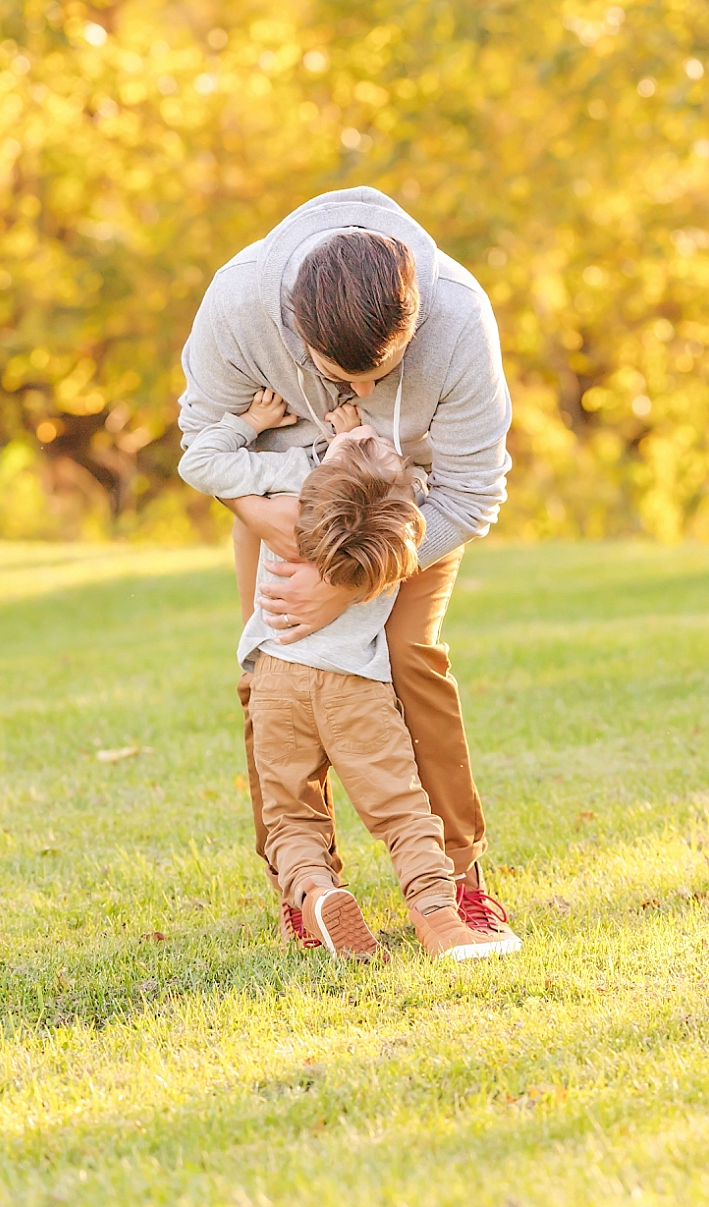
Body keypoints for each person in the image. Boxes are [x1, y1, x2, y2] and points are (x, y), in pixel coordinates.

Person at [177, 187, 518, 949]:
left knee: (407, 656)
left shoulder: (459, 321)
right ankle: (304, 889)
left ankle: (456, 882)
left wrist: (351, 575)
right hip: (275, 509)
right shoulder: (238, 306)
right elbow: (201, 432)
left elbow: (472, 493)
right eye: (343, 377)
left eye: (383, 376)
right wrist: (267, 518)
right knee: (265, 671)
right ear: (297, 333)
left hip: (409, 519)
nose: (362, 396)